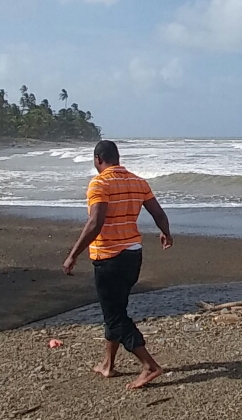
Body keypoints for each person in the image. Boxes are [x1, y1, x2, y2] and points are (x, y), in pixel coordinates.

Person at [62, 139, 173, 389]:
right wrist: (165, 232)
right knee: (116, 310)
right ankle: (108, 364)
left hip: (109, 257)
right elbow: (158, 213)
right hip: (133, 254)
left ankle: (149, 365)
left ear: (98, 159)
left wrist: (73, 254)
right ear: (117, 157)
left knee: (114, 315)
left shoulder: (99, 183)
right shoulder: (137, 181)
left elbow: (95, 222)